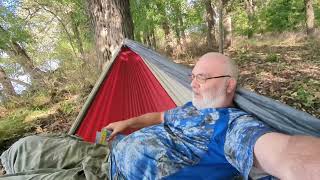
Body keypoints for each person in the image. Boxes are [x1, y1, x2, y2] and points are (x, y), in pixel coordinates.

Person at [1, 53, 320, 180]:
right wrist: (128, 123)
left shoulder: (234, 127)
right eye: (192, 75)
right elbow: (159, 117)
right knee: (22, 147)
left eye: (202, 77)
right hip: (101, 153)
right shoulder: (189, 110)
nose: (192, 82)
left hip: (106, 178)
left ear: (228, 84)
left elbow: (289, 156)